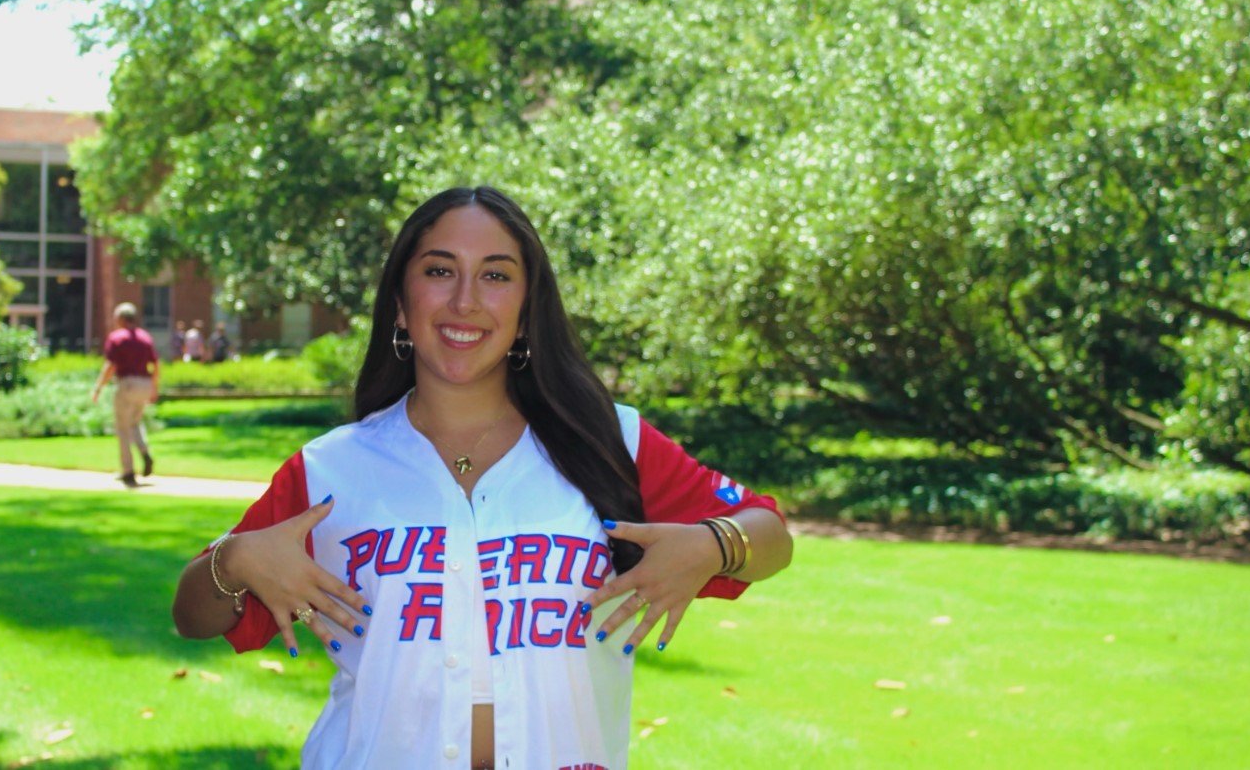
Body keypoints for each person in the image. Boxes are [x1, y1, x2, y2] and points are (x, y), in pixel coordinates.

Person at [171, 186, 793, 770]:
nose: (465, 300)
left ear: (525, 313)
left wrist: (714, 545)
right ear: (400, 303)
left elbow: (770, 534)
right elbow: (192, 614)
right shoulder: (333, 467)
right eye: (440, 271)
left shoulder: (608, 441)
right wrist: (238, 559)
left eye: (496, 276)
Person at [91, 302, 159, 487]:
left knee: (122, 428)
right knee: (135, 423)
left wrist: (98, 387)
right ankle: (144, 452)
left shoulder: (117, 338)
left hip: (127, 383)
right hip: (144, 384)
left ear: (121, 318)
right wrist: (153, 388)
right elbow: (155, 365)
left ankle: (128, 471)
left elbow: (110, 365)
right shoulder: (145, 338)